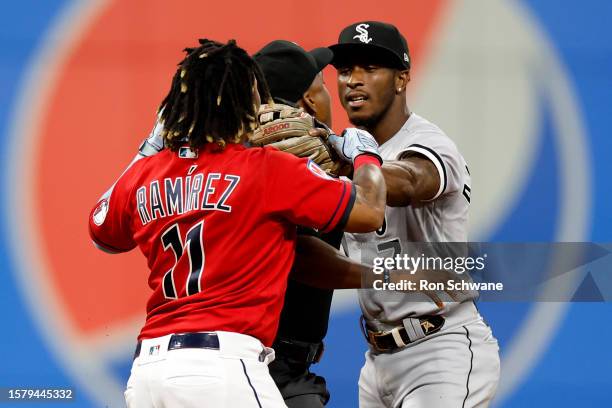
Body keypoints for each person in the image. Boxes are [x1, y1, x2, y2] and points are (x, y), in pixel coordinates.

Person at [88, 38, 387, 408]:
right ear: (244, 102)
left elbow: (103, 233)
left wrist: (149, 147)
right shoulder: (265, 169)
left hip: (148, 372)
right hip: (224, 365)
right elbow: (371, 211)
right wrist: (364, 153)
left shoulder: (148, 173)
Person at [328, 22, 501, 407]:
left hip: (440, 349)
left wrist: (356, 163)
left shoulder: (426, 141)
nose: (354, 81)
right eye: (345, 70)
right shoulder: (345, 158)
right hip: (377, 359)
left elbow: (407, 183)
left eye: (371, 68)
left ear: (402, 78)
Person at [251, 40, 347, 408]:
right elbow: (303, 256)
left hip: (214, 354)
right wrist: (366, 158)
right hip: (270, 364)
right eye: (323, 85)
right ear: (308, 100)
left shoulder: (231, 157)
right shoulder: (308, 163)